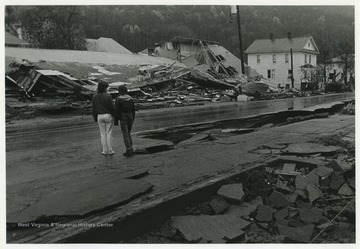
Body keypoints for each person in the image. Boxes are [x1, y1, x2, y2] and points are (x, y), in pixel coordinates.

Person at [92, 81, 115, 155]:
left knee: (102, 134)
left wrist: (95, 117)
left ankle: (104, 150)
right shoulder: (108, 96)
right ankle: (110, 150)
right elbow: (111, 107)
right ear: (105, 88)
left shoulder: (94, 96)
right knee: (109, 133)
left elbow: (94, 108)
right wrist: (114, 115)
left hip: (99, 115)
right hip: (108, 115)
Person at [114, 85, 136, 157]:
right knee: (129, 132)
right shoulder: (130, 98)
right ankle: (131, 147)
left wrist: (116, 120)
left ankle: (128, 149)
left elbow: (117, 110)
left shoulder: (118, 99)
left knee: (125, 133)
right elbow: (133, 109)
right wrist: (133, 117)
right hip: (130, 116)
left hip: (123, 117)